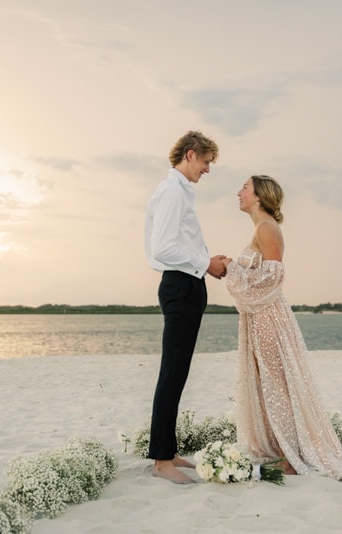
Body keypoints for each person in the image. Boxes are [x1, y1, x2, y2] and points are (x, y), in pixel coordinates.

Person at [222, 175, 342, 480]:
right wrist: (237, 268)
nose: (238, 192)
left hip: (268, 317)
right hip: (259, 316)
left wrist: (231, 269)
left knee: (277, 386)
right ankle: (283, 450)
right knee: (268, 384)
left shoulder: (266, 228)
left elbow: (273, 276)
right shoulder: (260, 228)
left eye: (244, 188)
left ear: (258, 196)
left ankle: (289, 458)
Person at [144, 130, 229, 484]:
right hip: (180, 285)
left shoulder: (180, 192)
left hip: (188, 284)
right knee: (172, 372)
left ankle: (170, 451)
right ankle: (161, 461)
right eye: (207, 161)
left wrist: (203, 264)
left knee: (177, 373)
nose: (208, 169)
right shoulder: (172, 191)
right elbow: (162, 249)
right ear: (191, 154)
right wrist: (205, 262)